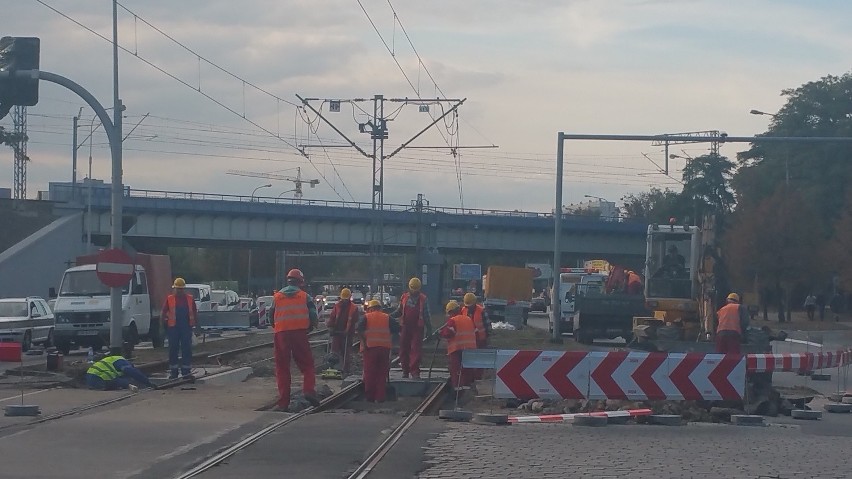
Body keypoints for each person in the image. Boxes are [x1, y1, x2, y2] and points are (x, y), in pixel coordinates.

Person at [271, 269, 320, 411]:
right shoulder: (304, 297)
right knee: (307, 365)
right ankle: (309, 390)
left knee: (282, 368)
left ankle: (283, 403)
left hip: (281, 334)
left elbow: (270, 316)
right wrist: (310, 327)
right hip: (299, 334)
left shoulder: (277, 296)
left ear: (288, 280)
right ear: (300, 282)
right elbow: (313, 316)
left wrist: (279, 327)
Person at [356, 300, 400, 402]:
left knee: (369, 373)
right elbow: (397, 328)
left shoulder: (366, 317)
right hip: (384, 349)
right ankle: (380, 397)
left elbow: (359, 329)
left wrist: (364, 340)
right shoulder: (387, 317)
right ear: (380, 308)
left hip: (370, 348)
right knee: (382, 373)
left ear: (370, 309)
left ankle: (370, 397)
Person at [390, 277, 431, 379]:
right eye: (413, 289)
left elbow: (426, 315)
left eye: (416, 289)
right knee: (404, 349)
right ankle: (405, 371)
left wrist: (429, 328)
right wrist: (389, 316)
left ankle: (415, 372)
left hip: (418, 328)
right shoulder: (404, 297)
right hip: (405, 326)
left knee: (416, 350)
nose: (414, 291)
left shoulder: (423, 299)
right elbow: (399, 311)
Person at [161, 277, 199, 379]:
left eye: (181, 289)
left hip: (186, 327)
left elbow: (194, 312)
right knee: (173, 349)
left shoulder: (190, 299)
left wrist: (196, 325)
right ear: (174, 288)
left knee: (186, 349)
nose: (179, 291)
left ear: (184, 289)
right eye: (178, 289)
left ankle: (186, 371)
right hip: (173, 328)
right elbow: (163, 312)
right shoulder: (170, 299)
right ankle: (174, 372)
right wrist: (163, 325)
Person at [439, 301, 479, 389]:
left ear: (451, 312)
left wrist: (441, 332)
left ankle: (457, 388)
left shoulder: (452, 320)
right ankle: (467, 386)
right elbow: (476, 332)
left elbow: (449, 333)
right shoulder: (468, 318)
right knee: (467, 368)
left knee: (455, 368)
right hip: (470, 348)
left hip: (457, 348)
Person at [326, 288, 359, 373]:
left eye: (346, 299)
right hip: (337, 332)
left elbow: (354, 321)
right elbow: (332, 317)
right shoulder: (337, 306)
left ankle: (345, 369)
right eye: (343, 298)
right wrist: (331, 327)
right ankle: (332, 367)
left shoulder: (354, 308)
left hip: (347, 334)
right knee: (334, 351)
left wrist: (349, 331)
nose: (344, 300)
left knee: (346, 352)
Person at [86, 354, 154, 392]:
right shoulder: (121, 361)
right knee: (121, 381)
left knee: (120, 379)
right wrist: (147, 382)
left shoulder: (111, 360)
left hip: (90, 380)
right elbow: (131, 372)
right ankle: (130, 386)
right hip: (100, 378)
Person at [462, 293, 490, 380]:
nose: (469, 307)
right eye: (467, 306)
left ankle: (478, 378)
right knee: (469, 360)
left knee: (479, 360)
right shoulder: (463, 310)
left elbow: (488, 326)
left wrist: (486, 338)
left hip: (480, 340)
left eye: (470, 305)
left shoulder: (482, 311)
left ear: (475, 303)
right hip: (468, 340)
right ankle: (469, 378)